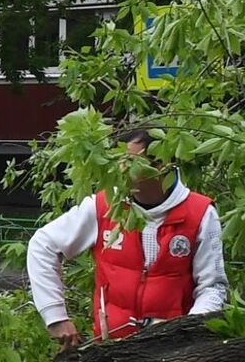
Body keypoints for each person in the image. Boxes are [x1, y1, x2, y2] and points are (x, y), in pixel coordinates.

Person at [27, 119, 227, 349]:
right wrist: (56, 317)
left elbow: (213, 288)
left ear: (160, 164)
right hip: (111, 353)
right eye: (119, 160)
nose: (120, 169)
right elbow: (43, 245)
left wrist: (185, 330)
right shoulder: (104, 206)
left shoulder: (200, 213)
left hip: (173, 354)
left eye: (130, 162)